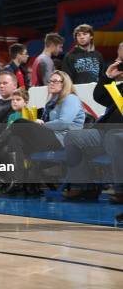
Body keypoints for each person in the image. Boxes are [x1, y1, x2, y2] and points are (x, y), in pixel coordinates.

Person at [63, 58, 123, 201]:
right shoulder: (121, 88)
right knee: (72, 136)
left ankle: (121, 190)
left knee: (114, 138)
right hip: (104, 131)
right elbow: (99, 97)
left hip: (117, 134)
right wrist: (107, 77)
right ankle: (85, 187)